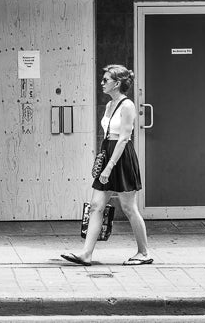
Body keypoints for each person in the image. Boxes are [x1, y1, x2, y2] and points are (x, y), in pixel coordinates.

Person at [61, 64, 152, 266]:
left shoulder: (127, 105)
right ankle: (86, 254)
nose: (102, 83)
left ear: (117, 83)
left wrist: (109, 166)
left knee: (129, 208)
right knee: (96, 206)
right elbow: (108, 135)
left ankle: (144, 252)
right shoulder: (110, 105)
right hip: (109, 154)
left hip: (121, 157)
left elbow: (124, 138)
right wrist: (103, 159)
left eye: (105, 80)